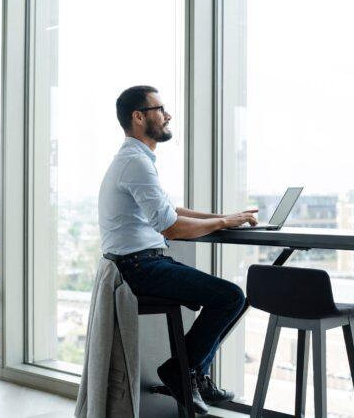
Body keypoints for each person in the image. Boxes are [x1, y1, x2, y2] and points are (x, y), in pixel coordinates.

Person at [98, 85, 258, 414]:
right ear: (138, 117)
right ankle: (183, 371)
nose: (168, 115)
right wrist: (224, 222)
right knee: (231, 297)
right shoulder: (136, 163)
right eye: (160, 109)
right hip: (139, 268)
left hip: (144, 264)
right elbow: (171, 227)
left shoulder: (134, 160)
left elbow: (171, 210)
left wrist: (226, 217)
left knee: (231, 299)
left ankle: (190, 372)